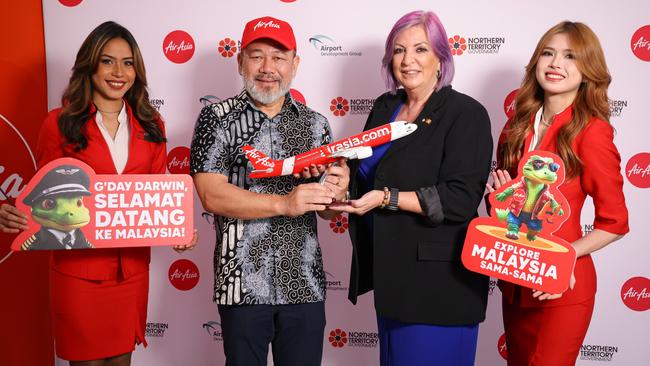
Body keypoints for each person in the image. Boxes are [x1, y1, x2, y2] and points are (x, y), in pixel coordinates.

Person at [0, 21, 196, 366]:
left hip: (132, 271)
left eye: (128, 62)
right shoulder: (59, 123)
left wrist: (177, 227)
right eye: (107, 61)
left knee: (122, 362)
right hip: (78, 272)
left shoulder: (152, 125)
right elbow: (40, 195)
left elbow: (155, 195)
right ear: (89, 66)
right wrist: (12, 213)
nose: (118, 72)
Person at [330, 10, 493, 366]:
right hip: (390, 277)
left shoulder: (466, 113)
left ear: (440, 57)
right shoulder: (385, 107)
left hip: (438, 286)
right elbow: (367, 172)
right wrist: (344, 180)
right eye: (399, 51)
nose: (407, 60)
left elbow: (460, 199)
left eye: (420, 49)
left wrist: (386, 198)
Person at [190, 16, 349, 366]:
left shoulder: (316, 123)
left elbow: (328, 210)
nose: (267, 68)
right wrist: (284, 203)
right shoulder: (216, 119)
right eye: (256, 55)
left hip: (304, 283)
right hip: (241, 284)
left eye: (278, 57)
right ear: (240, 61)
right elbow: (211, 195)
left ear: (295, 64)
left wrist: (337, 192)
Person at [489, 21, 629, 365]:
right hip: (515, 283)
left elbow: (616, 222)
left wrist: (563, 259)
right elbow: (509, 210)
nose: (555, 64)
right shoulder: (515, 126)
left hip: (562, 288)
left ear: (587, 71)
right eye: (548, 53)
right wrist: (499, 199)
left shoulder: (592, 132)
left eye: (570, 56)